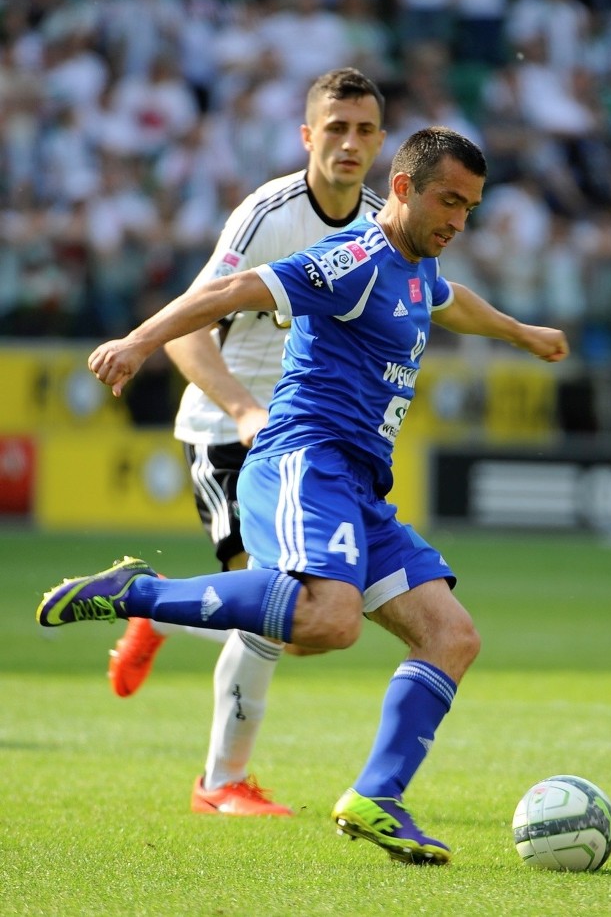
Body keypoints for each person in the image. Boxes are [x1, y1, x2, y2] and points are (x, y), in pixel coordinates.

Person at [37, 126, 569, 865]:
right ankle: (142, 594)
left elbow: (451, 303)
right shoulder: (353, 261)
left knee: (453, 637)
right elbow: (229, 290)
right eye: (448, 200)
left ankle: (377, 799)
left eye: (471, 208)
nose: (458, 219)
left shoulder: (419, 267)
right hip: (305, 461)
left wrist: (521, 333)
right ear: (405, 188)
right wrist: (137, 342)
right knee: (330, 619)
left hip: (360, 487)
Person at [108, 67, 387, 818]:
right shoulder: (267, 214)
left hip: (304, 442)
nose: (349, 143)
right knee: (278, 607)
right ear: (307, 136)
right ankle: (220, 783)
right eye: (336, 127)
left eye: (364, 130)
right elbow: (190, 326)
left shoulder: (375, 227)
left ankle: (160, 610)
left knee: (300, 628)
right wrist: (240, 411)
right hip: (228, 431)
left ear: (382, 141)